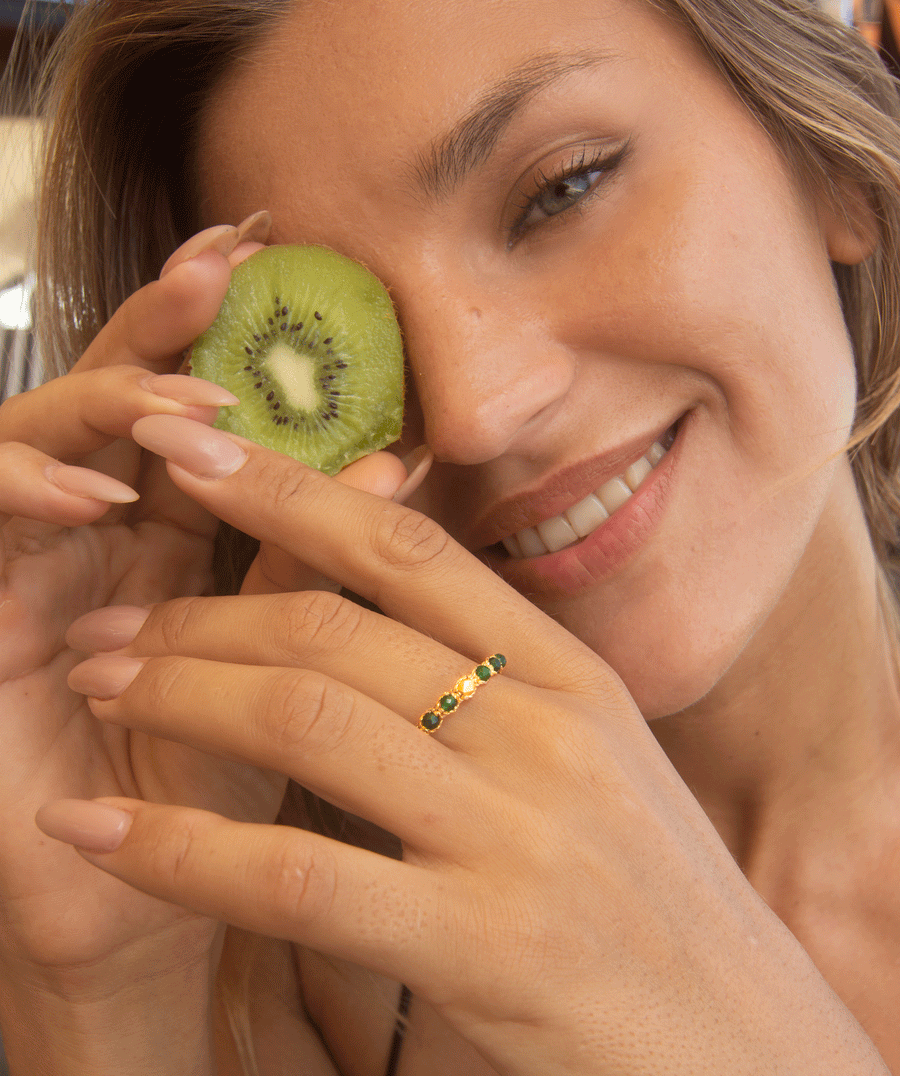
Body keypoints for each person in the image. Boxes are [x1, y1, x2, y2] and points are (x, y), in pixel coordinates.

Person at [0, 0, 898, 1072]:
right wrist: (105, 991)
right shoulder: (305, 958)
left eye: (563, 187)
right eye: (363, 318)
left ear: (831, 163)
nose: (473, 410)